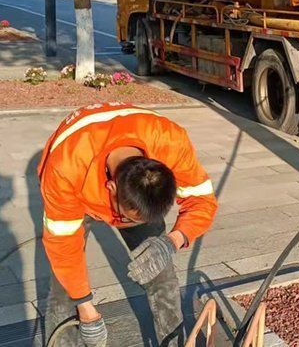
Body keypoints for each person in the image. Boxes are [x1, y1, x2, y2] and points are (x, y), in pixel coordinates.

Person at [39, 102, 218, 346]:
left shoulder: (171, 142)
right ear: (111, 189)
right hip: (79, 190)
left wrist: (171, 241)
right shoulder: (65, 168)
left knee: (161, 273)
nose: (128, 224)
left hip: (123, 185)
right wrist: (86, 308)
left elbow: (203, 201)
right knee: (64, 291)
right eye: (132, 219)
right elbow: (63, 246)